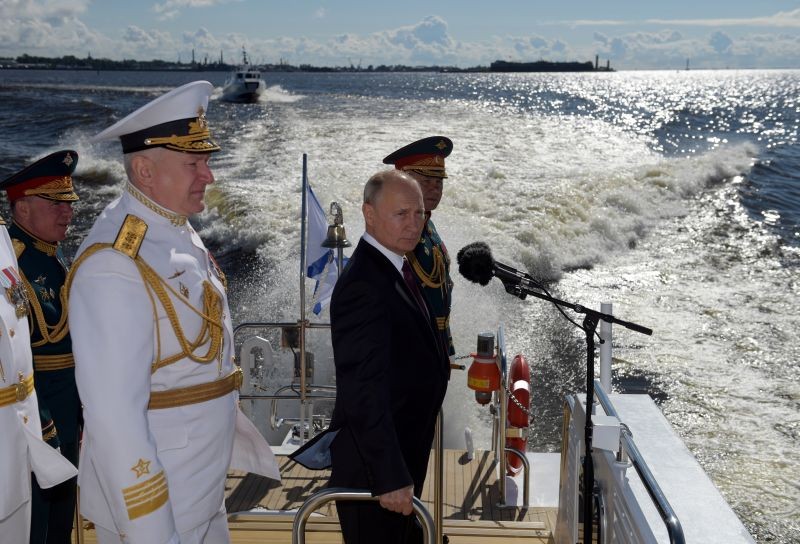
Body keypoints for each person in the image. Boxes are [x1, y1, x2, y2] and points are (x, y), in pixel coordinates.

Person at [67, 81, 279, 544]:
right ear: (143, 170)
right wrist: (150, 529)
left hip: (199, 486)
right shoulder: (115, 263)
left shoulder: (173, 228)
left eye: (206, 161)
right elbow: (114, 416)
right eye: (194, 163)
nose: (209, 176)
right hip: (156, 503)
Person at [294, 169, 450, 544]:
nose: (413, 224)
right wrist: (390, 475)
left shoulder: (393, 267)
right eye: (401, 214)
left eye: (419, 214)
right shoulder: (365, 285)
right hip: (375, 472)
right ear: (369, 214)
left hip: (398, 455)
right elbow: (363, 390)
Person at [0, 149, 82, 544]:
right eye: (55, 202)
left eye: (68, 203)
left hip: (67, 411)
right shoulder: (10, 263)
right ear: (22, 208)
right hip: (34, 417)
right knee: (33, 525)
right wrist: (44, 419)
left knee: (59, 527)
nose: (67, 212)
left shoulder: (54, 257)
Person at [383, 137, 455, 361]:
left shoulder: (427, 224)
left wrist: (447, 347)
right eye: (426, 182)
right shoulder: (393, 233)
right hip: (405, 355)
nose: (435, 189)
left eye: (439, 183)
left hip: (433, 348)